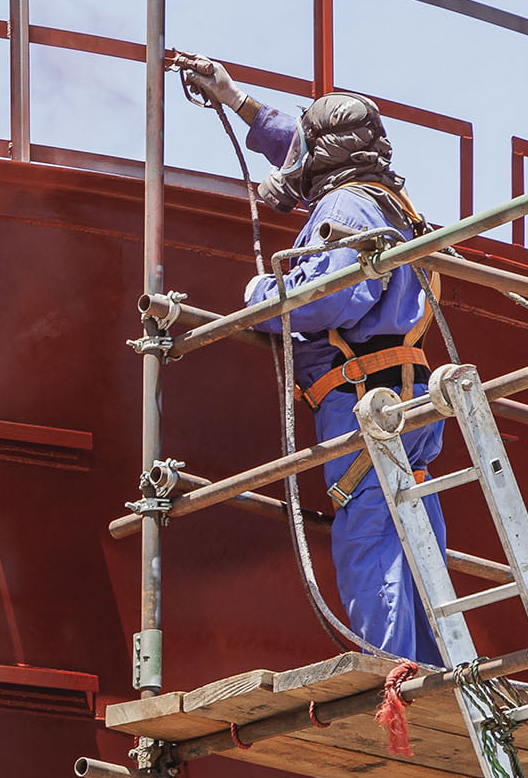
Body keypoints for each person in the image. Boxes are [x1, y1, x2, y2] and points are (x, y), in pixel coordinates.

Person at [178, 54, 448, 668]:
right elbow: (307, 147)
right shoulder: (390, 202)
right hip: (407, 397)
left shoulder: (344, 210)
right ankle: (433, 672)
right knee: (417, 544)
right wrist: (236, 99)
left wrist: (256, 297)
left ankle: (389, 679)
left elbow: (331, 296)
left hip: (364, 406)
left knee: (372, 543)